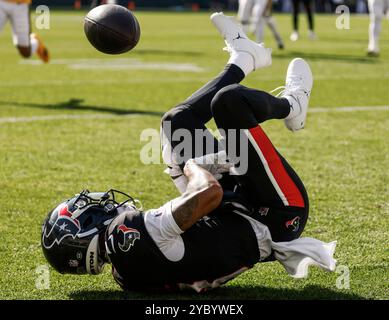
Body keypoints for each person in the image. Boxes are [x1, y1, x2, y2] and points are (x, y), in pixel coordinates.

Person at [41, 13, 336, 293]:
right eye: (87, 208)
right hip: (276, 212)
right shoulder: (123, 232)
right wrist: (193, 168)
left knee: (175, 123)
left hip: (238, 215)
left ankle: (242, 58)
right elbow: (209, 195)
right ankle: (293, 106)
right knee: (228, 102)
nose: (100, 201)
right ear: (82, 230)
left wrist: (189, 171)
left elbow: (192, 243)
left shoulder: (126, 275)